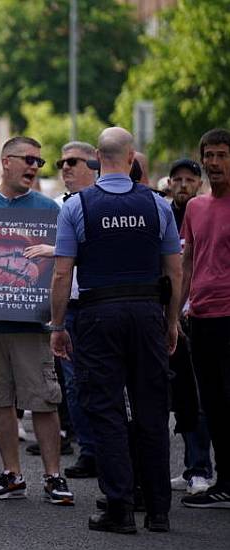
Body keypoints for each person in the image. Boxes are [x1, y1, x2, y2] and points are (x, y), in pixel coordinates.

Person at [50, 127, 181, 533]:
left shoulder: (77, 207)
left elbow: (61, 272)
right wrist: (172, 319)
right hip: (146, 313)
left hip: (98, 315)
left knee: (104, 410)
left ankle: (119, 508)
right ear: (131, 160)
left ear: (95, 159)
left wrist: (57, 325)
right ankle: (158, 509)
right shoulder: (157, 205)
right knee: (152, 410)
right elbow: (174, 268)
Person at [0, 137, 74, 506]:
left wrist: (57, 321)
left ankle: (54, 476)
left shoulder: (49, 209)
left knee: (43, 400)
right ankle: (12, 474)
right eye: (28, 159)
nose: (34, 166)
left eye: (39, 162)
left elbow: (66, 263)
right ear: (5, 161)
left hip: (33, 323)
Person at [180, 127, 230, 509]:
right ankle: (223, 481)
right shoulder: (196, 207)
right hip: (200, 317)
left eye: (222, 155)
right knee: (211, 403)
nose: (214, 163)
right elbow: (187, 261)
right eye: (209, 155)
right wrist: (172, 314)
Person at [48, 141, 101, 480]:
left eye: (73, 161)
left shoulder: (104, 203)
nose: (65, 167)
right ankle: (89, 450)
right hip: (68, 308)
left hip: (100, 305)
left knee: (103, 382)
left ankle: (111, 448)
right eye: (61, 162)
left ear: (94, 164)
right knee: (74, 385)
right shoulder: (55, 206)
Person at [165, 158, 213, 495]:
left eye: (189, 179)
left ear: (199, 183)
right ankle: (190, 468)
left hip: (199, 315)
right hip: (169, 318)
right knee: (179, 398)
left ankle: (201, 469)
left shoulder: (204, 214)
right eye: (177, 179)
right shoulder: (162, 214)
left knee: (199, 398)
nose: (183, 185)